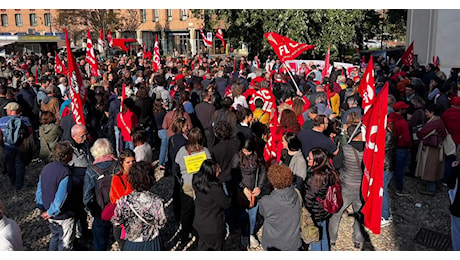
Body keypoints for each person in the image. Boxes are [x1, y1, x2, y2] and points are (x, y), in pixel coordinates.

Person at [111, 161, 166, 251]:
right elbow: (161, 224)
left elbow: (116, 221)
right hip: (151, 242)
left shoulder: (124, 201)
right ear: (151, 178)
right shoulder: (157, 201)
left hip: (133, 242)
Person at [328, 124, 365, 249]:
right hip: (361, 188)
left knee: (336, 213)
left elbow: (337, 165)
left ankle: (332, 238)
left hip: (346, 186)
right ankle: (358, 240)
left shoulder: (345, 148)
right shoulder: (368, 150)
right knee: (359, 214)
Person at [174, 127, 211, 246]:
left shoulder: (181, 151)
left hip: (187, 184)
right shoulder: (205, 151)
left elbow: (175, 168)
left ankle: (185, 234)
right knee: (200, 210)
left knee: (186, 211)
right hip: (201, 185)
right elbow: (210, 167)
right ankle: (198, 233)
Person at [35, 141, 75, 251]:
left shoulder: (46, 168)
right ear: (66, 156)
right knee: (65, 243)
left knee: (55, 237)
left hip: (49, 212)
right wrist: (50, 212)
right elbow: (60, 198)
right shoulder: (65, 172)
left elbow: (39, 190)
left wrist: (41, 207)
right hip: (63, 214)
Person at [83, 138, 119, 251]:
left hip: (100, 210)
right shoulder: (118, 165)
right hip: (118, 207)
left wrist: (94, 211)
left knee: (99, 242)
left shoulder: (91, 170)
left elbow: (86, 197)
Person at [231, 139, 267, 249]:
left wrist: (259, 187)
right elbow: (234, 175)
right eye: (245, 151)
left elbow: (263, 171)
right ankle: (244, 234)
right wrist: (243, 188)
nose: (246, 153)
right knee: (242, 215)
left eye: (248, 151)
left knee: (252, 215)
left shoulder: (257, 156)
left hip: (254, 190)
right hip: (243, 190)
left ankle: (250, 234)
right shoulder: (237, 157)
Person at [303, 147, 340, 251]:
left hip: (315, 212)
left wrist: (305, 211)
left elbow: (309, 198)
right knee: (323, 233)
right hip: (325, 209)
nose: (307, 159)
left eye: (310, 158)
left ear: (316, 162)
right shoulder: (330, 172)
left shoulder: (316, 178)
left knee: (315, 237)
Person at [258, 164, 301, 251]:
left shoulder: (266, 201)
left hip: (273, 244)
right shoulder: (296, 194)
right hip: (293, 243)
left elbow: (262, 213)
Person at [192, 159, 232, 250]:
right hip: (213, 227)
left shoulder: (196, 180)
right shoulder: (215, 189)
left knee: (202, 248)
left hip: (199, 223)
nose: (220, 171)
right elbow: (227, 203)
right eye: (218, 170)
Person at [0, 102, 33, 190]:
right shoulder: (25, 120)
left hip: (8, 146)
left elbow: (0, 135)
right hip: (21, 146)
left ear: (10, 110)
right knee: (20, 164)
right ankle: (19, 184)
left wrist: (2, 144)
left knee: (10, 164)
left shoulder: (2, 120)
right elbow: (30, 133)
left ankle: (13, 182)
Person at [415, 105, 447, 196]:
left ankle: (430, 189)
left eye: (427, 112)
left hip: (430, 149)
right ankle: (436, 185)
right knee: (436, 168)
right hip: (438, 148)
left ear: (432, 112)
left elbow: (422, 133)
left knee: (430, 169)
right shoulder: (439, 121)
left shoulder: (433, 123)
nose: (425, 113)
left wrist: (418, 132)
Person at [108, 149, 135, 250]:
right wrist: (133, 181)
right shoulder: (117, 178)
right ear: (122, 163)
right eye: (128, 162)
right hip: (122, 222)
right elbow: (123, 200)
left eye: (133, 161)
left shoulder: (135, 175)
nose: (131, 164)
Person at [388, 101, 412, 196]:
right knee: (400, 169)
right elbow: (407, 139)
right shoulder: (403, 123)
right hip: (401, 148)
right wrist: (409, 146)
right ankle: (399, 189)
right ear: (401, 110)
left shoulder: (388, 120)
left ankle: (388, 186)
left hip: (389, 148)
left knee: (389, 168)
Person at [447, 146, 460, 250]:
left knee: (457, 234)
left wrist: (453, 169)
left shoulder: (457, 169)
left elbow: (451, 185)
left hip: (458, 208)